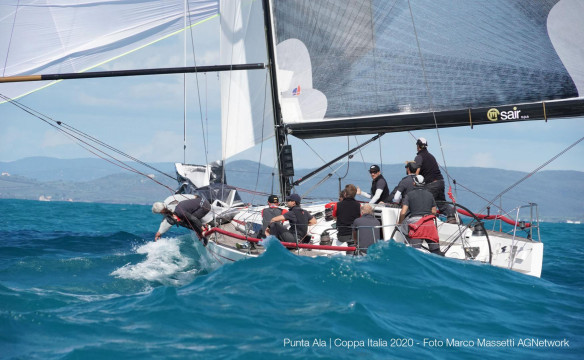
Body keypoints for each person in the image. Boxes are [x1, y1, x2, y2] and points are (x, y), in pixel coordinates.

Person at [414, 138, 456, 223]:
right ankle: (451, 217)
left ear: (418, 146)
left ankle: (431, 222)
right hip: (440, 182)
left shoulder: (419, 157)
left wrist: (414, 182)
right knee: (442, 203)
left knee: (426, 203)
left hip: (431, 184)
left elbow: (417, 170)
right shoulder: (431, 156)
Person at [397, 175, 440, 254]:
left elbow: (403, 212)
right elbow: (434, 211)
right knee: (436, 251)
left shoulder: (409, 195)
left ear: (414, 183)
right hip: (429, 225)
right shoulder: (430, 195)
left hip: (416, 226)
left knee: (415, 252)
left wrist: (399, 223)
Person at [334, 184, 361, 249]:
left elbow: (334, 217)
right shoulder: (358, 205)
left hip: (342, 236)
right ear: (354, 195)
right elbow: (360, 219)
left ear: (345, 194)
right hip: (355, 236)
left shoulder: (337, 205)